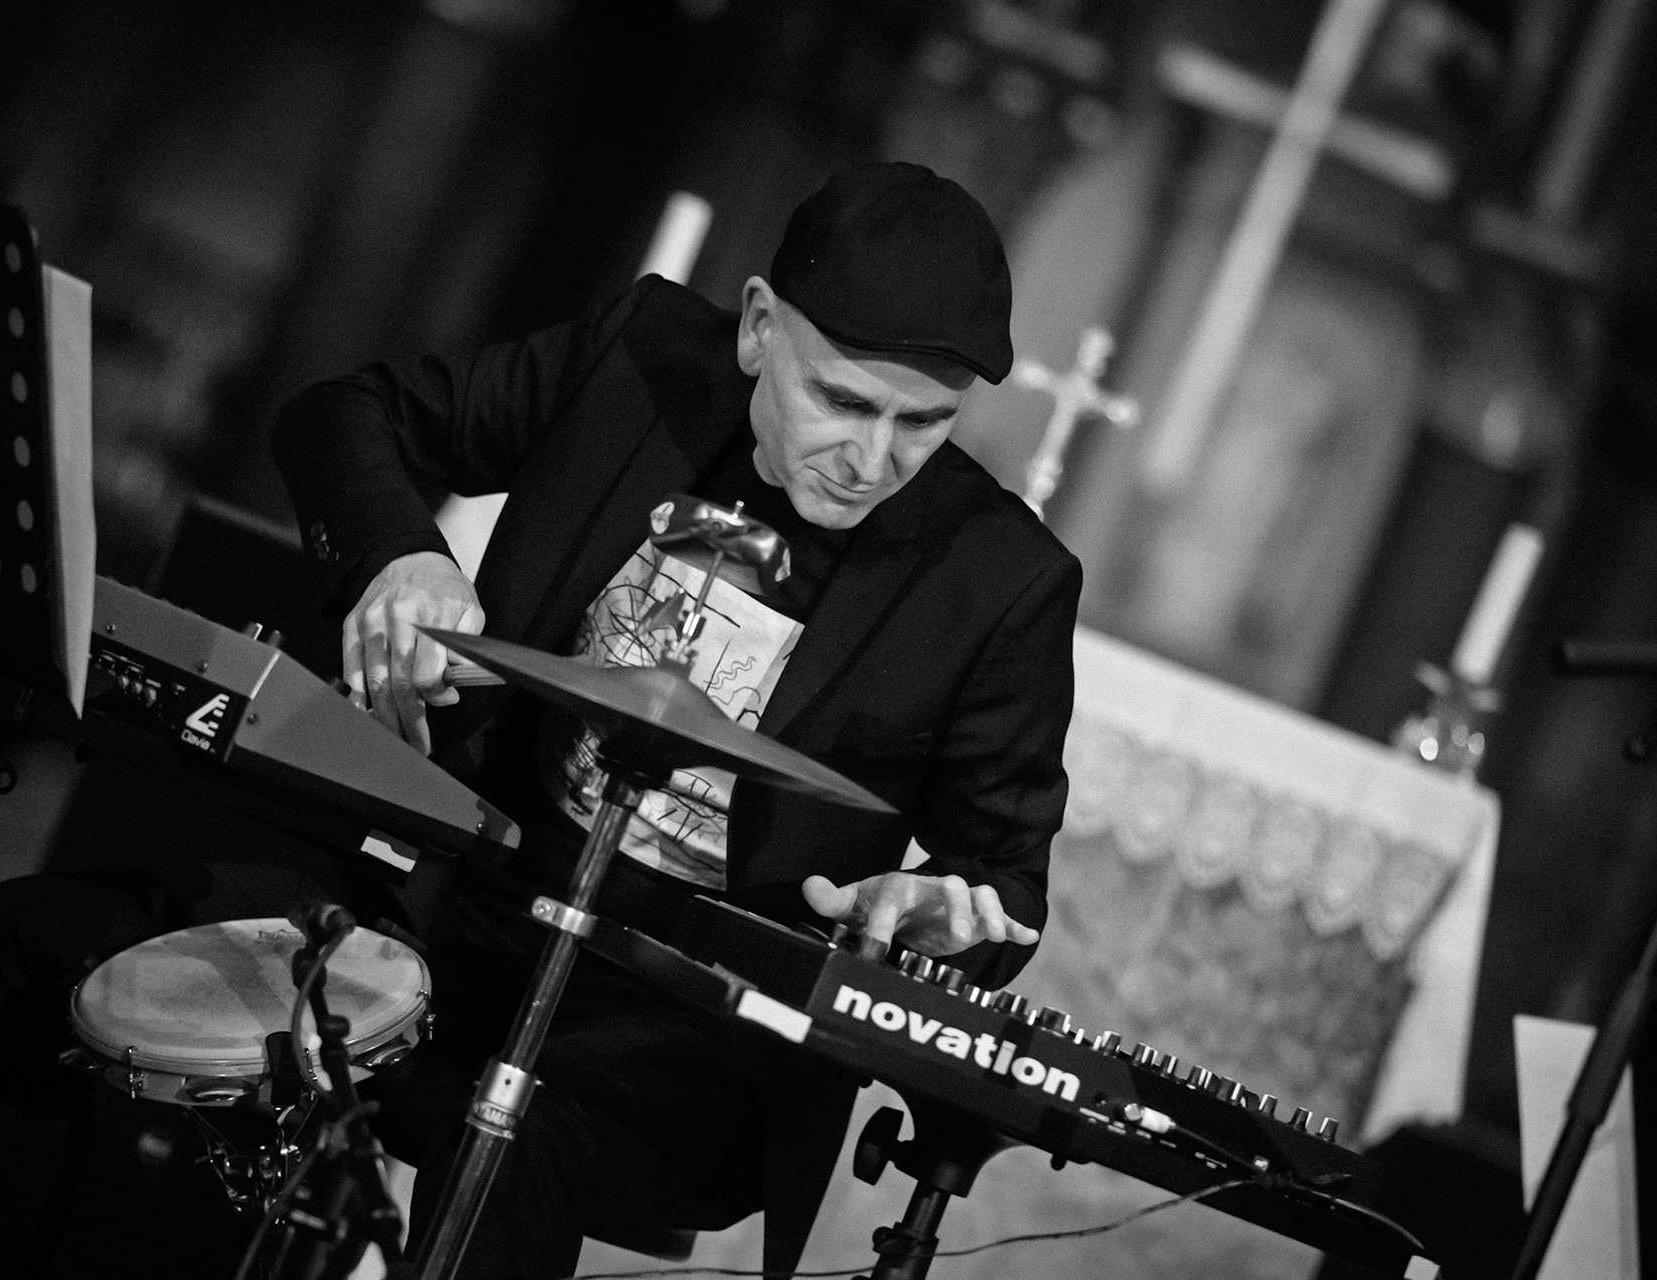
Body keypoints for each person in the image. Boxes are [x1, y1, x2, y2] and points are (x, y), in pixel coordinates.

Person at [271, 159, 1081, 1277]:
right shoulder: (634, 360)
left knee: (515, 1124)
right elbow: (342, 414)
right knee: (80, 960)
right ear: (758, 327)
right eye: (842, 400)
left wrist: (941, 916)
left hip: (693, 1021)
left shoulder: (1001, 579)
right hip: (457, 905)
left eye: (923, 423)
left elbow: (1005, 883)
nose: (873, 457)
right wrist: (404, 557)